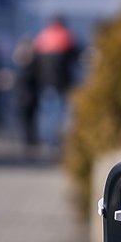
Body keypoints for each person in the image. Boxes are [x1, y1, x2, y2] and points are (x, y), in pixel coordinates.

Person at [32, 16, 79, 145]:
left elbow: (34, 62)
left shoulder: (42, 37)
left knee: (46, 113)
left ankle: (46, 140)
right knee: (61, 113)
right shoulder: (67, 37)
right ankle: (59, 141)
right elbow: (75, 59)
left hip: (45, 83)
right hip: (63, 83)